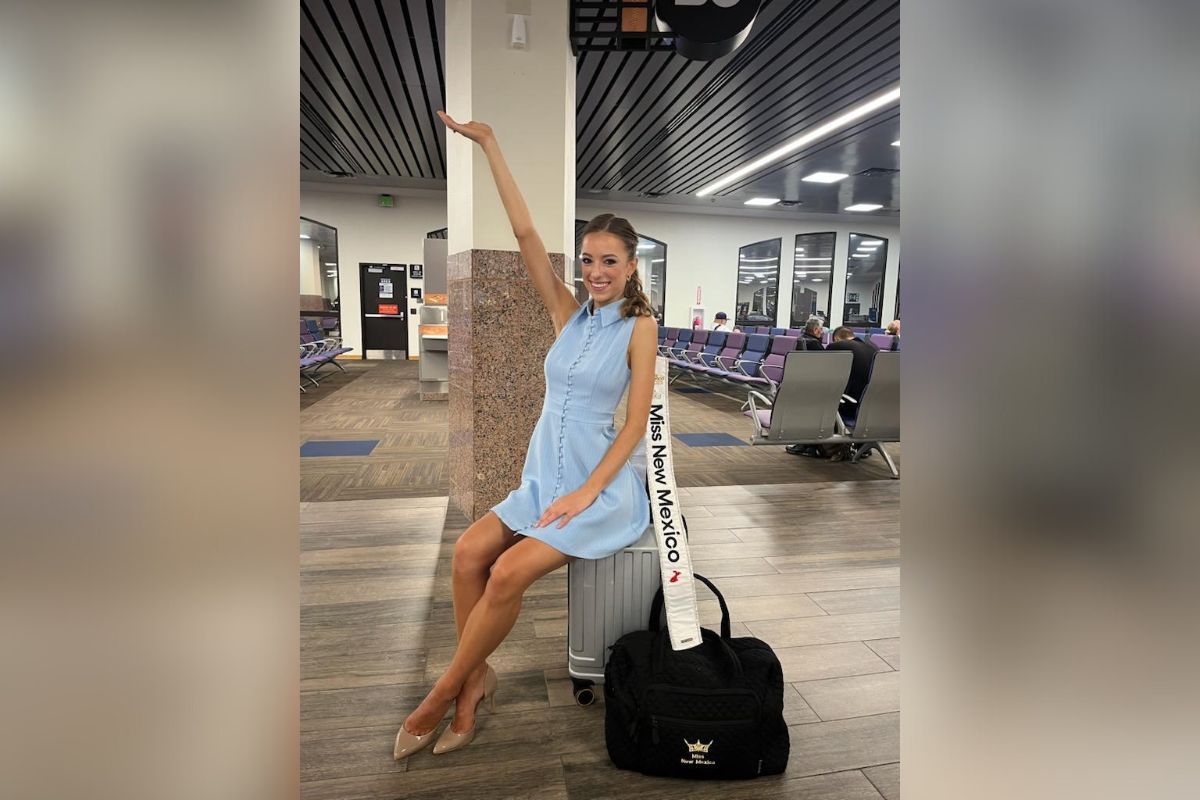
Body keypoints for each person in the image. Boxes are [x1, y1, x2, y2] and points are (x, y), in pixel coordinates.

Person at [392, 111, 657, 760]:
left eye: (609, 262)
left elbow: (635, 424)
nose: (596, 271)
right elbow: (527, 231)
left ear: (629, 266)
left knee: (506, 571)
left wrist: (586, 493)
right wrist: (489, 145)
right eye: (589, 259)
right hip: (544, 479)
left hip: (600, 491)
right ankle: (477, 678)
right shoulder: (568, 313)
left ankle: (446, 691)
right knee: (466, 557)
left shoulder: (640, 328)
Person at [787, 327, 877, 459]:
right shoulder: (874, 349)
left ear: (837, 338)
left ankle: (809, 446)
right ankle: (861, 446)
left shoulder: (837, 346)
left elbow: (823, 373)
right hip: (873, 408)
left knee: (814, 398)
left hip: (849, 406)